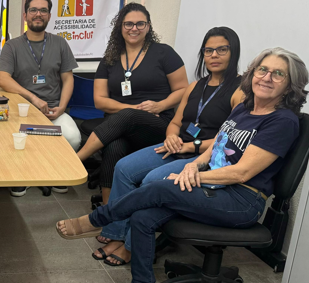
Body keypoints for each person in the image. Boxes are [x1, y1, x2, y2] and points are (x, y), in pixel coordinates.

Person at [56, 47, 307, 283]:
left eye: (278, 74)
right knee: (143, 216)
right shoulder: (245, 109)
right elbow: (216, 148)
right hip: (212, 186)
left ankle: (96, 219)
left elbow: (241, 173)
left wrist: (194, 176)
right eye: (263, 70)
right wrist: (193, 165)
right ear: (253, 73)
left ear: (290, 85)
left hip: (241, 200)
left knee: (162, 185)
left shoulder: (283, 121)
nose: (267, 77)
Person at [93, 27, 244, 266]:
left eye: (221, 49)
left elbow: (229, 140)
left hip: (202, 157)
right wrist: (171, 137)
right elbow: (175, 122)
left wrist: (190, 146)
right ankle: (115, 234)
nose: (214, 55)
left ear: (233, 52)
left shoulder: (240, 91)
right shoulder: (196, 87)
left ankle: (132, 247)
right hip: (175, 147)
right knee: (123, 167)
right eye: (208, 50)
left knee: (151, 180)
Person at [76, 3, 189, 206]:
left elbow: (183, 90)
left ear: (148, 26)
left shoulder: (164, 53)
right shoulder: (109, 59)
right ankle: (108, 210)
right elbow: (99, 100)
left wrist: (160, 105)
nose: (134, 28)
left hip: (157, 122)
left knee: (128, 117)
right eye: (128, 24)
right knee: (114, 146)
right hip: (118, 123)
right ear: (120, 27)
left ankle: (76, 160)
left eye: (140, 24)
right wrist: (134, 109)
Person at [0, 0, 81, 197]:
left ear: (49, 16)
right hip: (22, 110)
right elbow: (2, 78)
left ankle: (56, 174)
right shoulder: (12, 46)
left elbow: (68, 79)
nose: (38, 14)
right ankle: (22, 176)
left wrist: (61, 106)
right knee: (13, 141)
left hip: (54, 109)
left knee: (73, 137)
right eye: (33, 10)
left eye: (43, 10)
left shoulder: (60, 43)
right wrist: (33, 98)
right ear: (25, 15)